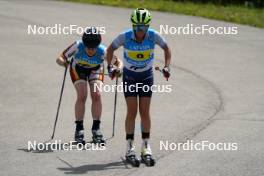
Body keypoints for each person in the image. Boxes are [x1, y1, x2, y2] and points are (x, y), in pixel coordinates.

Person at [106, 8, 171, 166]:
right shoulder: (125, 36)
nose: (140, 30)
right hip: (130, 77)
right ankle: (129, 147)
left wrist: (167, 67)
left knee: (144, 112)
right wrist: (110, 67)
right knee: (132, 111)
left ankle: (146, 146)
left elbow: (167, 48)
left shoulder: (153, 35)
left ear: (148, 26)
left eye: (143, 27)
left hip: (146, 76)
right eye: (137, 26)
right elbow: (110, 49)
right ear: (133, 25)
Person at [56, 27, 121, 145]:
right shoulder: (77, 46)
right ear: (84, 44)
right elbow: (59, 58)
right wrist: (64, 63)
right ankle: (79, 129)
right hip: (77, 69)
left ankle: (96, 129)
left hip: (95, 70)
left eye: (93, 48)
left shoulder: (103, 51)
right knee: (82, 96)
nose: (91, 50)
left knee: (96, 95)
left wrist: (118, 69)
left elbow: (119, 63)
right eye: (88, 47)